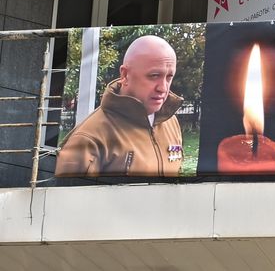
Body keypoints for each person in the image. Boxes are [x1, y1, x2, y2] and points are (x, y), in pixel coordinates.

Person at [55, 35, 184, 177]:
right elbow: (69, 197)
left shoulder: (170, 122)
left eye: (169, 77)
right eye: (154, 75)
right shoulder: (88, 138)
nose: (163, 88)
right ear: (125, 75)